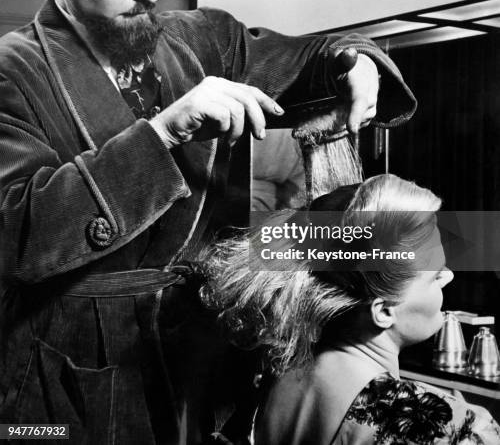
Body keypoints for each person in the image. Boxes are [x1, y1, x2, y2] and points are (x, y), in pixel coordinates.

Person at [0, 0, 416, 444]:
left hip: (204, 360)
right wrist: (164, 133)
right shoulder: (13, 74)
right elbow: (18, 236)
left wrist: (351, 62)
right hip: (64, 380)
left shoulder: (204, 40)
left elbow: (307, 58)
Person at [202, 175, 500, 444]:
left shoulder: (274, 380)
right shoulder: (443, 428)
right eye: (435, 275)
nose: (448, 276)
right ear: (383, 311)